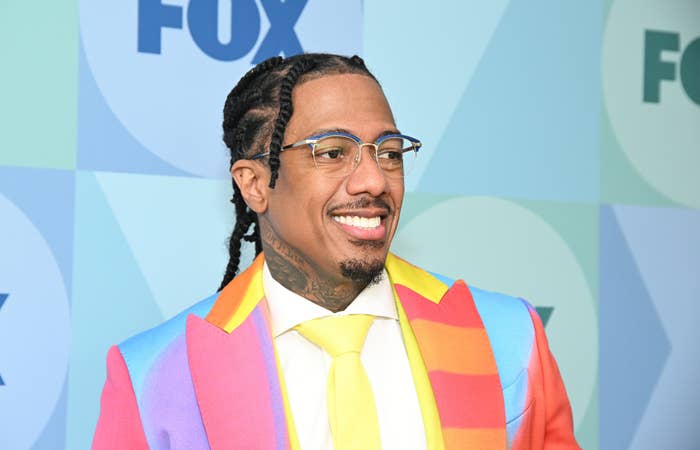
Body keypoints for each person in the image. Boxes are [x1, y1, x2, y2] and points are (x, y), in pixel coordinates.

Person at [92, 53, 580, 450]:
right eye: (331, 153)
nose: (373, 180)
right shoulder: (151, 378)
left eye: (388, 152)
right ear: (255, 184)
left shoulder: (510, 338)